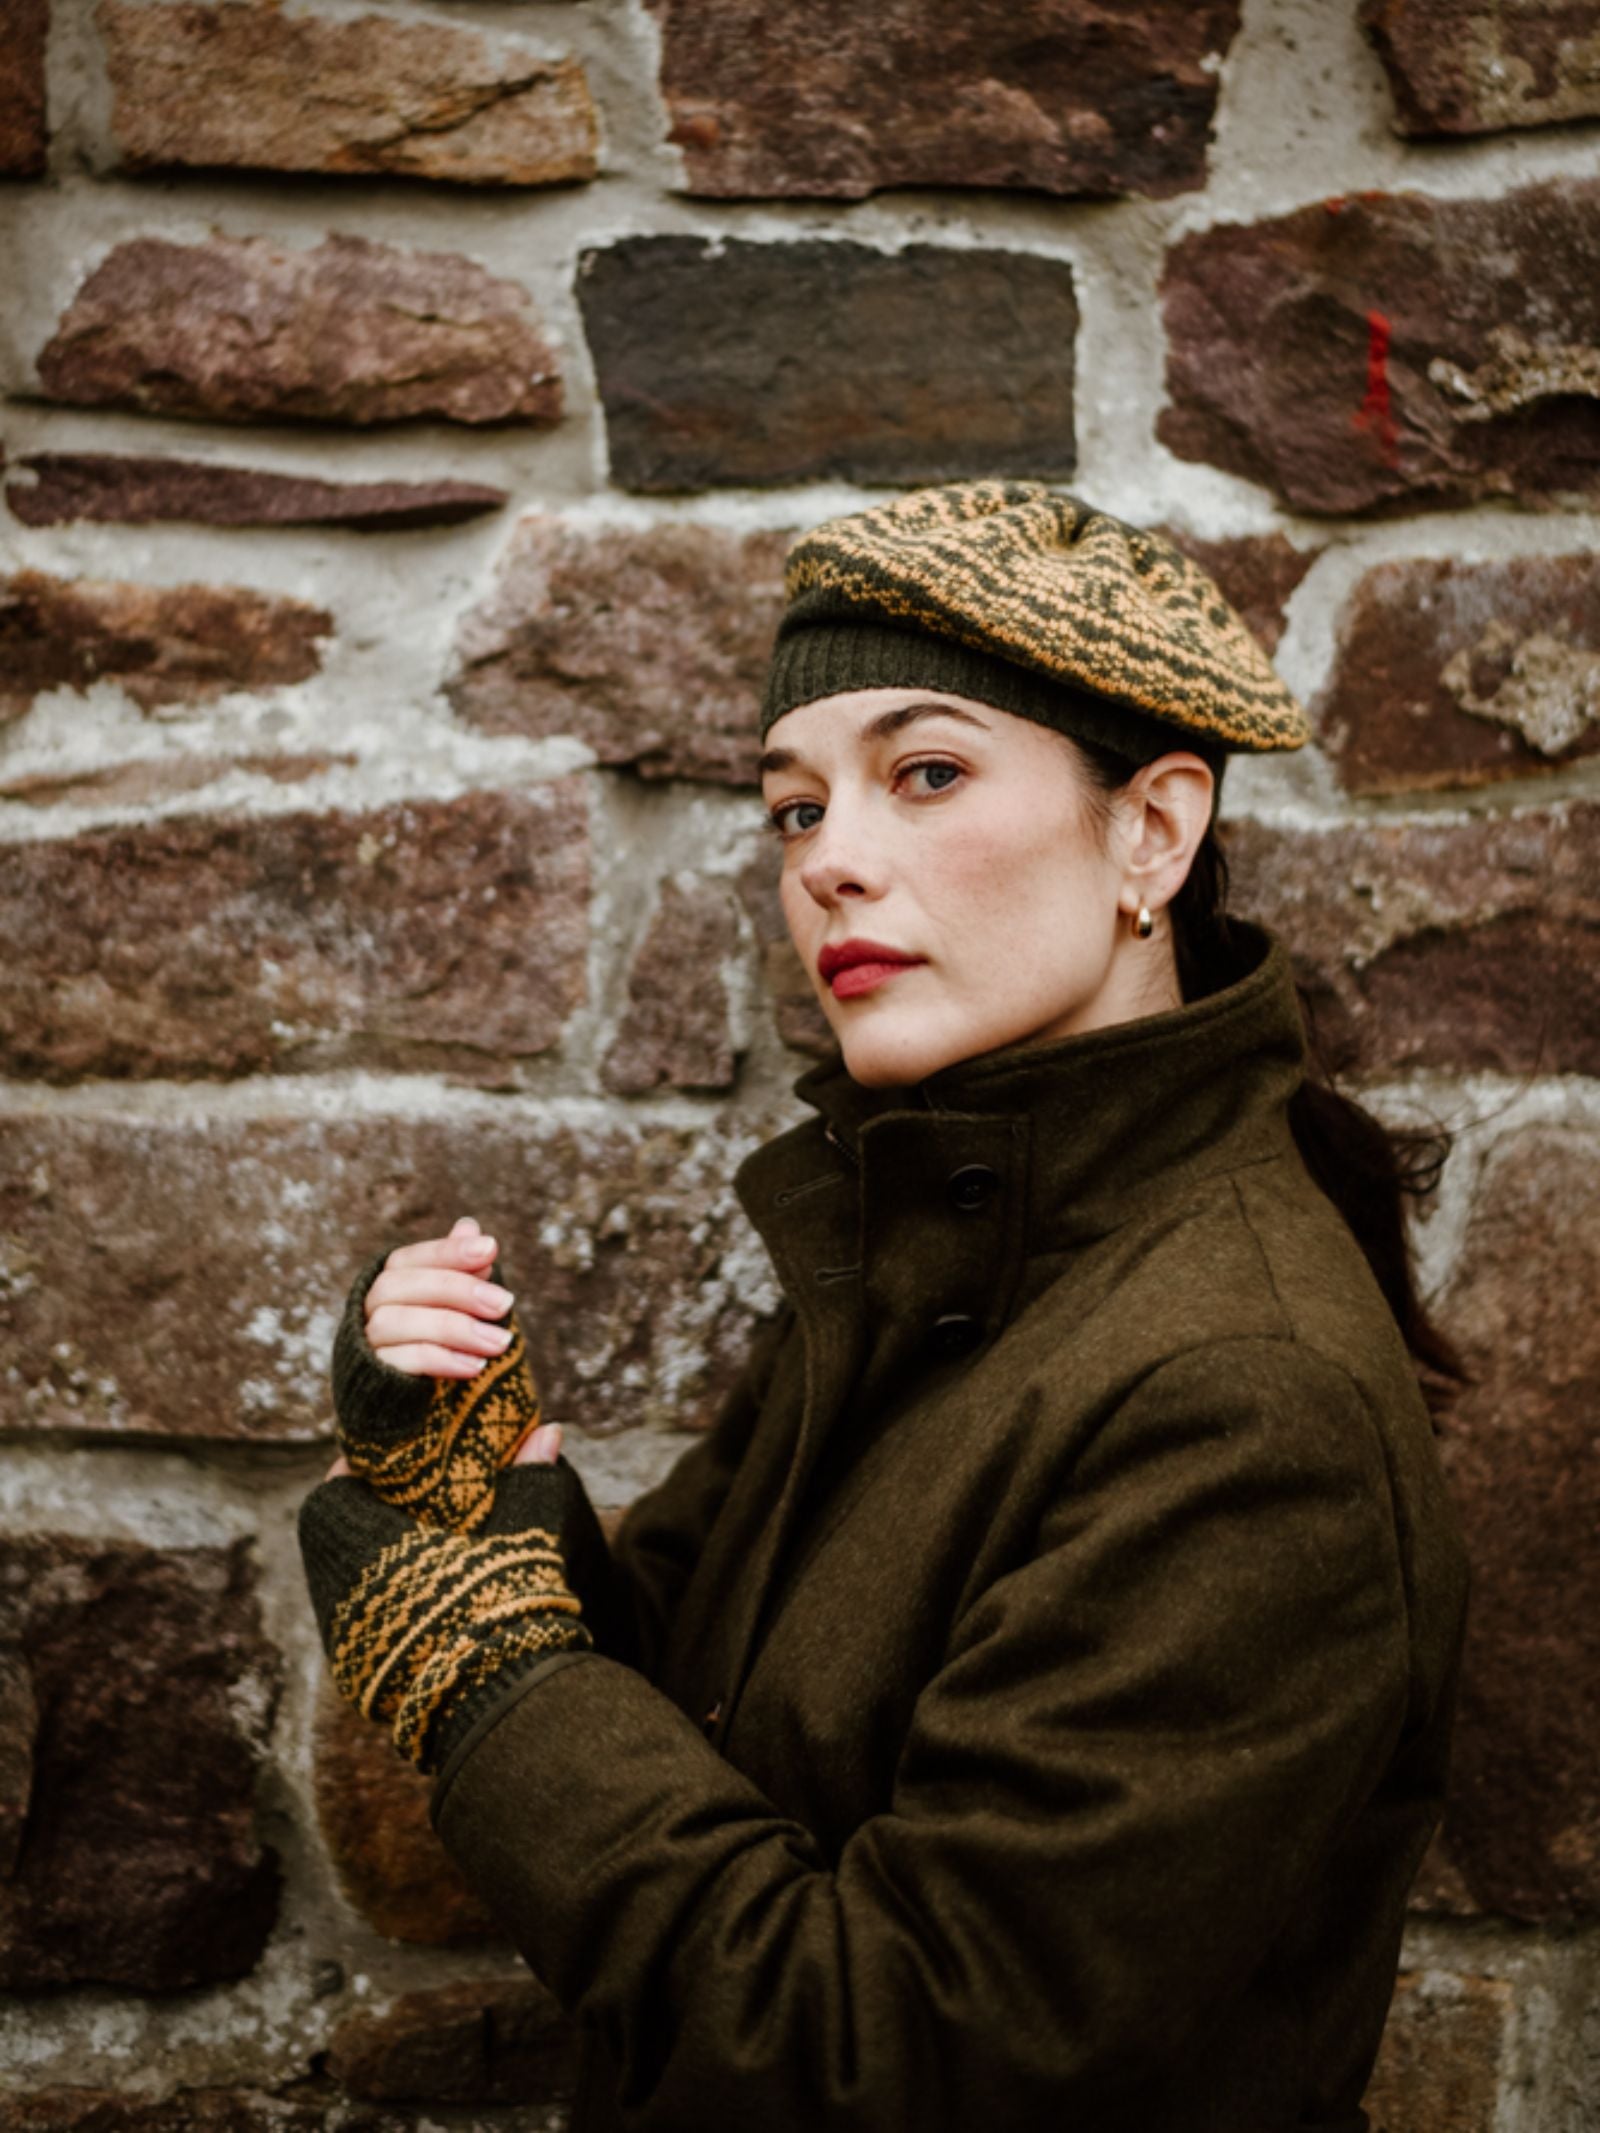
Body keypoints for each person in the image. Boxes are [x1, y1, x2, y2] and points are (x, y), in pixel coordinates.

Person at [299, 481, 1470, 2133]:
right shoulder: (932, 1247)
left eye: (927, 774)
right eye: (794, 808)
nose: (833, 860)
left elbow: (880, 2051)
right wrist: (473, 1493)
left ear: (1153, 831)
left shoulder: (1244, 1399)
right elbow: (723, 1759)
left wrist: (478, 1662)